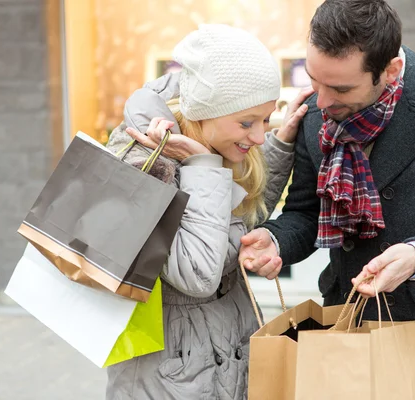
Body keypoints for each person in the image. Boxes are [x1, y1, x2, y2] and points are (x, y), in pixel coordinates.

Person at [238, 1, 415, 398]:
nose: (323, 102)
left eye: (341, 88)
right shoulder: (315, 112)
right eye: (315, 80)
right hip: (347, 335)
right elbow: (305, 213)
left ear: (390, 71)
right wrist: (275, 240)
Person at [105, 24, 309, 399]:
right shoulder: (145, 159)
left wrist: (281, 145)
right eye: (247, 122)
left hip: (229, 347)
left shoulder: (221, 145)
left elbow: (244, 219)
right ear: (203, 113)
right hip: (167, 372)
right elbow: (198, 275)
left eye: (266, 118)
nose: (260, 135)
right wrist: (201, 168)